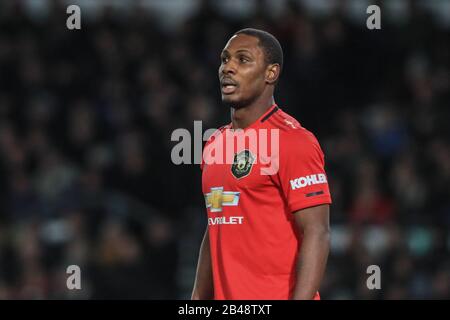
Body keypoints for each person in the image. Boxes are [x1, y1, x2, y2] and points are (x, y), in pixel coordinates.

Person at [191, 28, 332, 300]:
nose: (228, 67)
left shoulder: (293, 141)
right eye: (224, 59)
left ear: (271, 73)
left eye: (242, 60)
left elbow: (317, 231)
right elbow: (216, 223)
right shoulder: (213, 144)